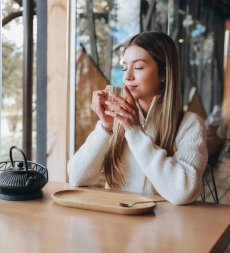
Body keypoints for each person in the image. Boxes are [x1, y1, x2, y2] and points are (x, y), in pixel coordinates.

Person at [67, 31, 208, 205]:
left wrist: (134, 131)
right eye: (124, 67)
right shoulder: (117, 119)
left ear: (164, 74)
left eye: (138, 67)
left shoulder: (190, 124)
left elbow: (183, 192)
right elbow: (76, 178)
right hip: (115, 223)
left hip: (164, 226)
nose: (127, 76)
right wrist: (105, 128)